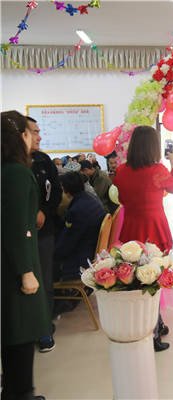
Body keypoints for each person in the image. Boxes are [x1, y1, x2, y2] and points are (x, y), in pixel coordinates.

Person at [112, 125, 173, 351]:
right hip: (154, 227)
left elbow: (121, 198)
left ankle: (156, 323)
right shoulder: (157, 170)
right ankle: (152, 333)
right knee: (153, 277)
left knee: (139, 277)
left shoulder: (121, 171)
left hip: (131, 227)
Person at [1, 110, 50, 400]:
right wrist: (26, 271)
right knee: (20, 332)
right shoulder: (17, 173)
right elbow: (17, 226)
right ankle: (20, 393)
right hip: (16, 268)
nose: (35, 137)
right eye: (32, 132)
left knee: (12, 333)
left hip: (10, 263)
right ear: (21, 136)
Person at [27, 116, 63, 353]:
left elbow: (56, 191)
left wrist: (44, 211)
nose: (39, 136)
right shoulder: (9, 164)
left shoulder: (43, 160)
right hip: (16, 232)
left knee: (43, 280)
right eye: (34, 131)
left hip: (43, 231)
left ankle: (43, 329)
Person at [54, 172, 105, 281]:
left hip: (81, 261)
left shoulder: (77, 211)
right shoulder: (91, 199)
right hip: (92, 251)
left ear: (64, 190)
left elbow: (65, 246)